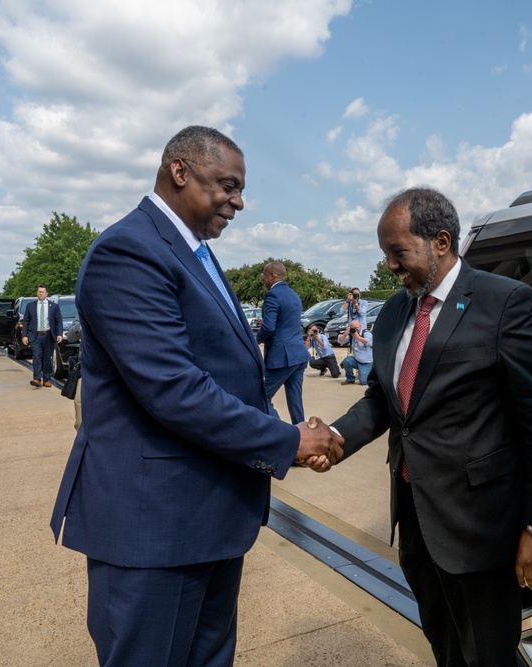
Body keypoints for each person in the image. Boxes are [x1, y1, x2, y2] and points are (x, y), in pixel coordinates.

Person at [49, 125, 342, 667]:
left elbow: (228, 371)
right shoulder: (129, 251)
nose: (238, 201)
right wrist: (287, 440)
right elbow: (174, 389)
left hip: (207, 519)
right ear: (179, 171)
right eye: (227, 185)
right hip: (155, 526)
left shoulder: (195, 253)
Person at [316, 187, 532, 666]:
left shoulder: (505, 302)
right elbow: (381, 402)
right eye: (384, 252)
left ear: (442, 242)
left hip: (480, 528)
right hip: (415, 521)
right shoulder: (392, 313)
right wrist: (335, 439)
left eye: (398, 252)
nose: (389, 265)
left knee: (488, 653)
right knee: (445, 645)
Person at [256, 261, 311, 423]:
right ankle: (302, 436)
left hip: (282, 357)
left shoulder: (272, 295)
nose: (263, 279)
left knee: (260, 396)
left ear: (273, 276)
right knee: (295, 402)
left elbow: (268, 327)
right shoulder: (293, 294)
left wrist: (254, 340)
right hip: (298, 356)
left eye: (264, 275)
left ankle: (280, 433)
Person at [21, 284, 63, 388]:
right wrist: (24, 335)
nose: (41, 293)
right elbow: (26, 321)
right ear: (37, 293)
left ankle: (47, 379)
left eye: (43, 292)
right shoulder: (30, 306)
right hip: (35, 336)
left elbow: (58, 321)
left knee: (47, 358)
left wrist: (59, 334)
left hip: (48, 335)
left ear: (46, 293)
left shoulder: (54, 306)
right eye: (39, 292)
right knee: (36, 357)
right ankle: (37, 379)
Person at [337, 319, 372, 385]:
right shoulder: (351, 335)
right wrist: (345, 334)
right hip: (356, 360)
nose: (355, 330)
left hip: (366, 362)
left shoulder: (366, 333)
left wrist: (358, 337)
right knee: (346, 361)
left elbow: (370, 343)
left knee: (364, 382)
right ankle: (350, 379)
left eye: (357, 328)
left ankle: (369, 369)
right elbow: (340, 341)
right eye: (353, 328)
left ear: (360, 326)